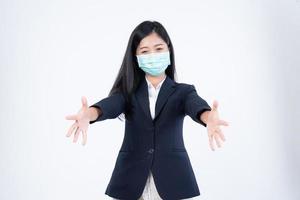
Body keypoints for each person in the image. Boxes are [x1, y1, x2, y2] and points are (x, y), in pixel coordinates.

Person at [65, 20, 229, 200]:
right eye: (144, 51)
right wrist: (88, 114)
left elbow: (195, 106)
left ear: (168, 50)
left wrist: (208, 117)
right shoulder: (128, 92)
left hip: (172, 178)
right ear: (135, 57)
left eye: (159, 49)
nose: (152, 55)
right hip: (131, 179)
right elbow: (110, 105)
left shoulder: (183, 91)